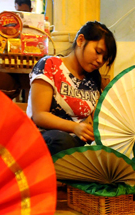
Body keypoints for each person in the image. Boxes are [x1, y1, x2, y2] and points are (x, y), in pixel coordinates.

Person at [27, 21, 117, 155]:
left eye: (104, 58)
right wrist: (75, 127)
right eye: (98, 52)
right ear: (80, 40)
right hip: (46, 137)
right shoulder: (49, 65)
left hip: (76, 142)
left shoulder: (93, 79)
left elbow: (100, 121)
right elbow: (39, 116)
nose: (100, 60)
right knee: (60, 142)